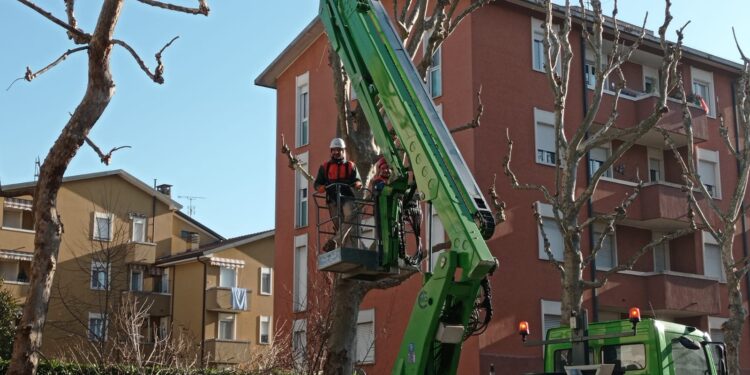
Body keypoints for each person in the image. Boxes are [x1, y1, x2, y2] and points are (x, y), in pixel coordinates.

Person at [314, 137, 362, 250]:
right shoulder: (325, 167)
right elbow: (317, 183)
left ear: (343, 151)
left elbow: (356, 179)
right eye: (334, 150)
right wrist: (319, 187)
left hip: (347, 197)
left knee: (350, 215)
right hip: (332, 199)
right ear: (331, 151)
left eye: (339, 150)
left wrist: (358, 184)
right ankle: (342, 246)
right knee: (339, 224)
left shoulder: (350, 166)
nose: (336, 152)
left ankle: (335, 241)